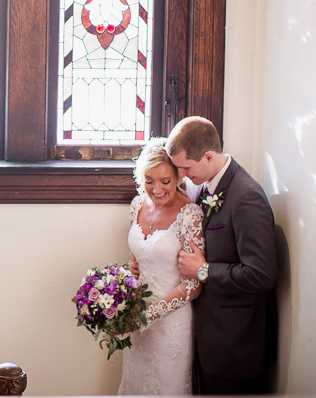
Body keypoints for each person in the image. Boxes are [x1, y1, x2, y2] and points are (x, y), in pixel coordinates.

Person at [167, 116, 278, 395]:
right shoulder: (206, 184)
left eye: (185, 168)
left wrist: (203, 271)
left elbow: (261, 275)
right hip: (210, 336)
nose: (182, 177)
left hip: (236, 344)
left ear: (207, 156)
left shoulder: (246, 197)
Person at [118, 138, 204, 396]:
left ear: (178, 177)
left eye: (165, 182)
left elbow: (194, 286)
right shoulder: (137, 205)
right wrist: (131, 269)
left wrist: (145, 317)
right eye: (149, 181)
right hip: (135, 319)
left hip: (171, 326)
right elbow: (139, 256)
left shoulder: (190, 215)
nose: (156, 190)